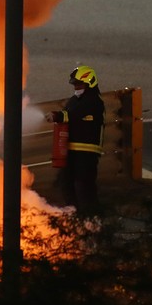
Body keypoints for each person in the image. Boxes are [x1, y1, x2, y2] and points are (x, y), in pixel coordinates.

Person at [45, 65, 105, 216]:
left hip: (87, 152)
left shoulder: (94, 102)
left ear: (90, 83)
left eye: (79, 84)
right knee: (66, 184)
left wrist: (58, 116)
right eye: (75, 85)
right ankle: (75, 217)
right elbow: (69, 113)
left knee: (83, 186)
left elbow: (75, 115)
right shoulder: (74, 100)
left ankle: (92, 220)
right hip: (71, 149)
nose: (76, 87)